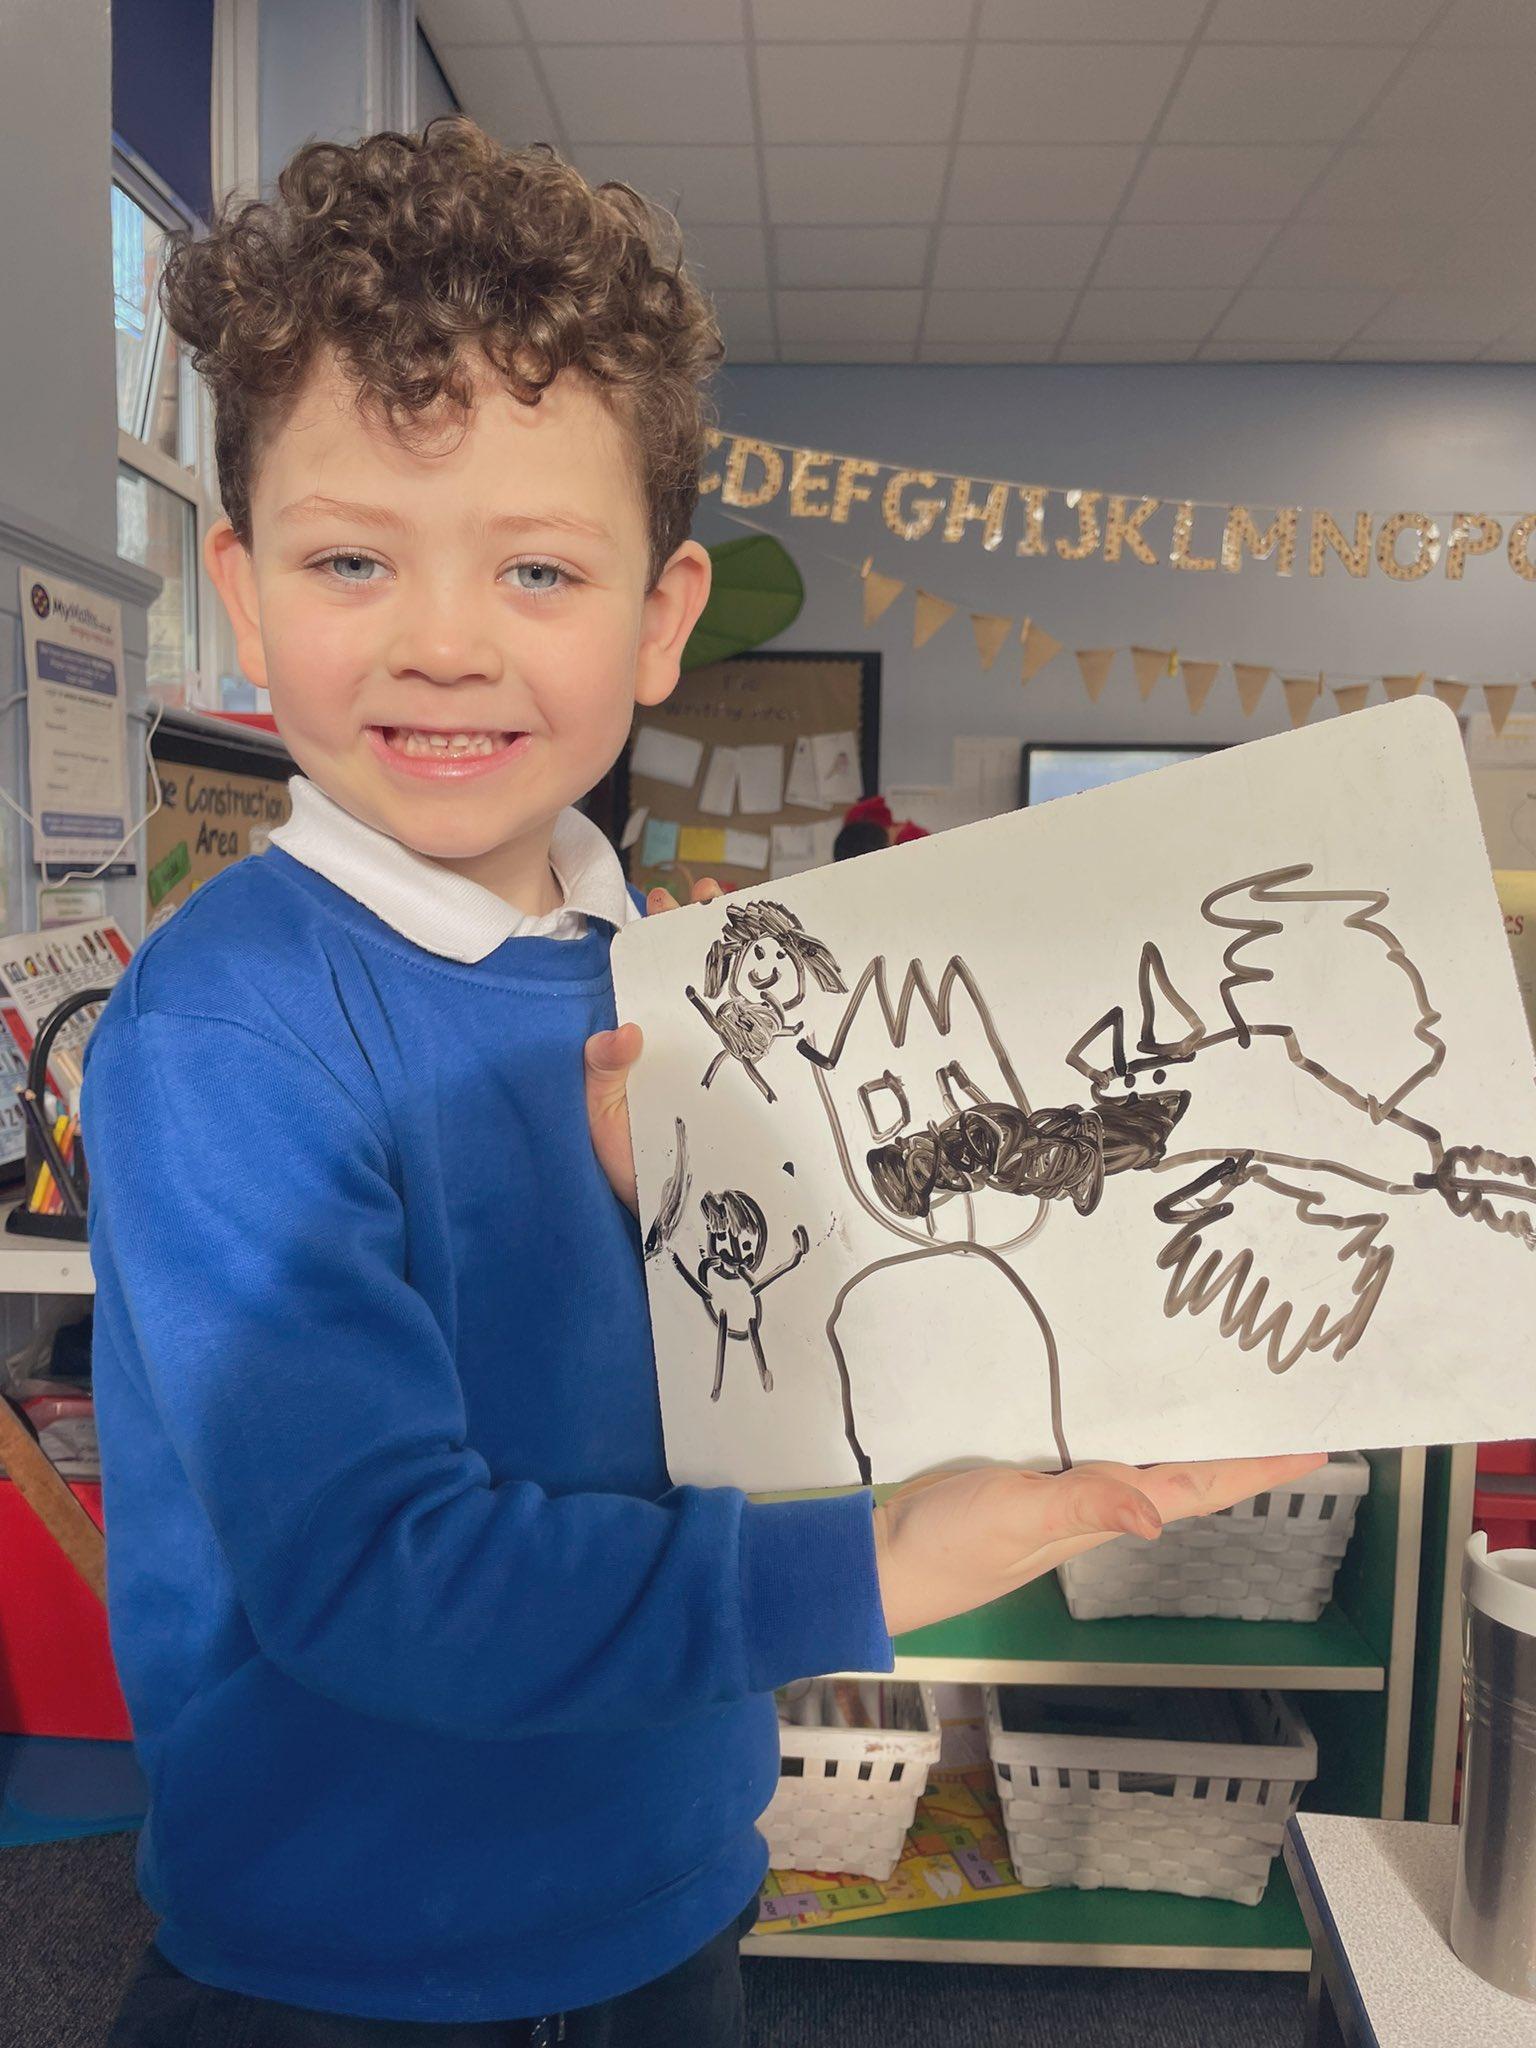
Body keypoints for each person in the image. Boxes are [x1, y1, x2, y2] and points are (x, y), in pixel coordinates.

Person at [82, 118, 1324, 2047]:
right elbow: (385, 1580)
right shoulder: (229, 1028)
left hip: (663, 1882)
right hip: (357, 1954)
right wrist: (898, 1554)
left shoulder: (649, 969)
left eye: (537, 568)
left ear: (659, 621)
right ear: (242, 591)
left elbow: (732, 1376)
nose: (442, 642)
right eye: (351, 558)